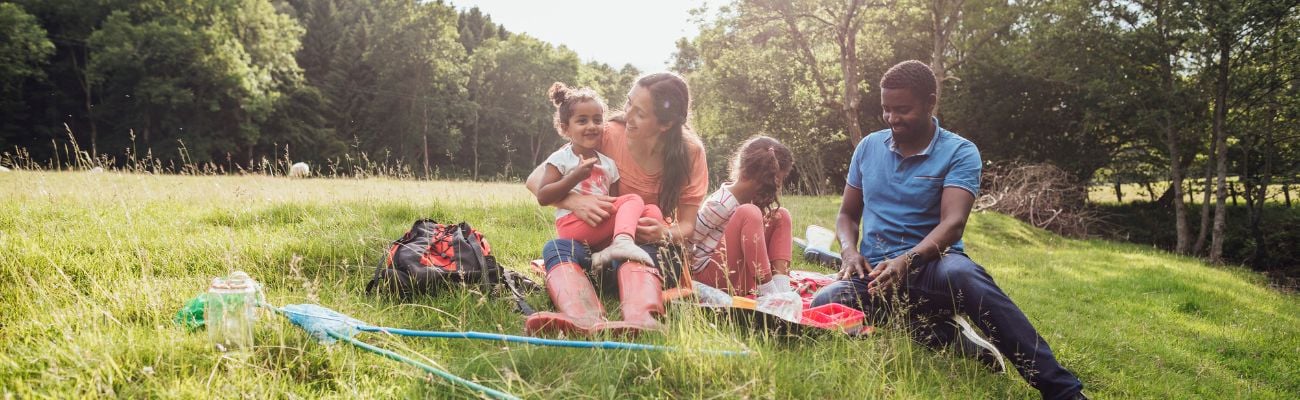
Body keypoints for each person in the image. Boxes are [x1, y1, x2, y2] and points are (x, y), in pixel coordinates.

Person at [809, 60, 1086, 400]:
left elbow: (953, 225)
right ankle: (945, 335)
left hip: (933, 269)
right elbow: (847, 215)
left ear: (930, 102)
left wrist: (907, 261)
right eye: (886, 109)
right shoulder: (868, 147)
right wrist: (850, 251)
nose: (893, 118)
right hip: (876, 275)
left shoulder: (959, 151)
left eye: (903, 109)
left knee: (965, 274)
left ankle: (1063, 391)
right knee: (825, 301)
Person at [524, 72, 709, 336]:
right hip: (600, 249)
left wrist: (664, 233)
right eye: (628, 103)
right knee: (556, 248)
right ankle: (583, 318)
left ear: (665, 123)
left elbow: (688, 224)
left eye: (639, 113)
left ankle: (642, 319)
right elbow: (535, 180)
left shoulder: (690, 152)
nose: (627, 115)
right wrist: (575, 201)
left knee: (643, 254)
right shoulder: (608, 133)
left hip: (649, 249)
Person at [533, 82, 662, 269]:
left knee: (652, 212)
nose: (592, 126)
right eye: (582, 121)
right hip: (573, 224)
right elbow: (543, 197)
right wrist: (574, 177)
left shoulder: (608, 164)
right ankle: (623, 243)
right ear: (565, 128)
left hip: (598, 228)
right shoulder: (562, 158)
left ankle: (614, 257)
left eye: (597, 120)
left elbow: (613, 202)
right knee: (633, 199)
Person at [688, 136, 795, 296]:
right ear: (746, 174)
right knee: (749, 212)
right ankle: (770, 293)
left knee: (781, 215)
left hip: (741, 276)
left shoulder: (750, 200)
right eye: (772, 184)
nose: (775, 191)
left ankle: (782, 289)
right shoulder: (720, 204)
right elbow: (688, 238)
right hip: (713, 279)